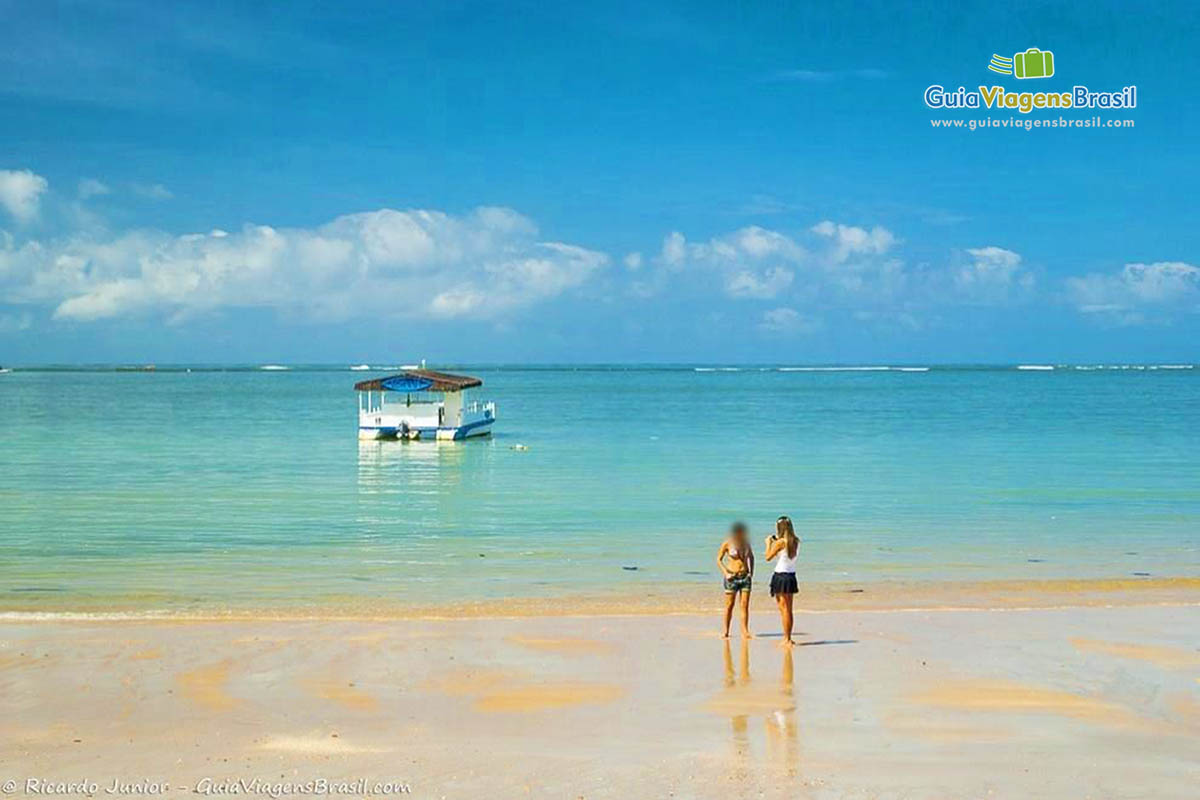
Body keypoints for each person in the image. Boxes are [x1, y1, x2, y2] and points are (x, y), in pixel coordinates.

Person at [764, 515, 800, 646]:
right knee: (789, 609)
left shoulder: (780, 543)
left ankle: (786, 639)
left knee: (783, 609)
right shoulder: (795, 541)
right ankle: (788, 637)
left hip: (780, 576)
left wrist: (768, 544)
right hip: (791, 576)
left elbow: (768, 557)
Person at [717, 521, 754, 639]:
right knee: (729, 605)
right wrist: (726, 573)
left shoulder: (746, 543)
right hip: (732, 577)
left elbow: (751, 557)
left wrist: (751, 573)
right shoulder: (728, 543)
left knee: (744, 605)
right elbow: (718, 559)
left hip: (745, 577)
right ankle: (726, 630)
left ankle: (745, 630)